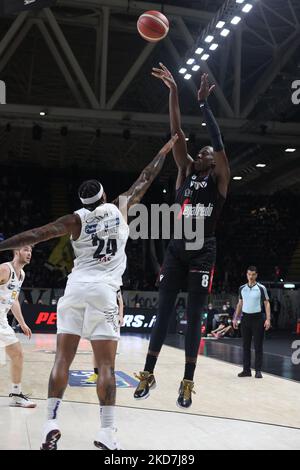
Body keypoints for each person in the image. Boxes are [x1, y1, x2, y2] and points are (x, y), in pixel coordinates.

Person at [0, 135, 178, 450]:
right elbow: (145, 178)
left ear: (83, 203)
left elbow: (36, 234)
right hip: (105, 293)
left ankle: (50, 423)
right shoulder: (119, 207)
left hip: (75, 289)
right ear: (104, 196)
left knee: (62, 361)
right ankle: (107, 433)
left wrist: (1, 245)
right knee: (106, 367)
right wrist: (163, 151)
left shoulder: (74, 220)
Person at [134, 65, 230, 408]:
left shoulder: (219, 180)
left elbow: (218, 144)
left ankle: (187, 381)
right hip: (177, 249)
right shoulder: (186, 172)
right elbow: (176, 132)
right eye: (200, 153)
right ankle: (149, 372)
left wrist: (204, 106)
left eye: (207, 154)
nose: (204, 154)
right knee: (162, 313)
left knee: (193, 318)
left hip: (203, 250)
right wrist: (174, 91)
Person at [0, 246, 36, 408]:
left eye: (30, 251)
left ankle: (16, 395)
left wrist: (22, 323)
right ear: (16, 252)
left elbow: (13, 299)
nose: (29, 253)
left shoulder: (21, 274)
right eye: (26, 250)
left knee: (17, 354)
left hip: (2, 320)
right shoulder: (4, 269)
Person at [233, 266, 271, 379]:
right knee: (245, 345)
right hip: (245, 319)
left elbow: (267, 303)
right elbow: (240, 304)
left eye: (253, 274)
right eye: (249, 274)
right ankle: (246, 370)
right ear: (246, 274)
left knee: (258, 346)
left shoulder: (261, 288)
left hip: (258, 319)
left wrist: (268, 319)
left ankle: (258, 370)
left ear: (256, 275)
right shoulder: (242, 288)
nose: (251, 277)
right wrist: (235, 318)